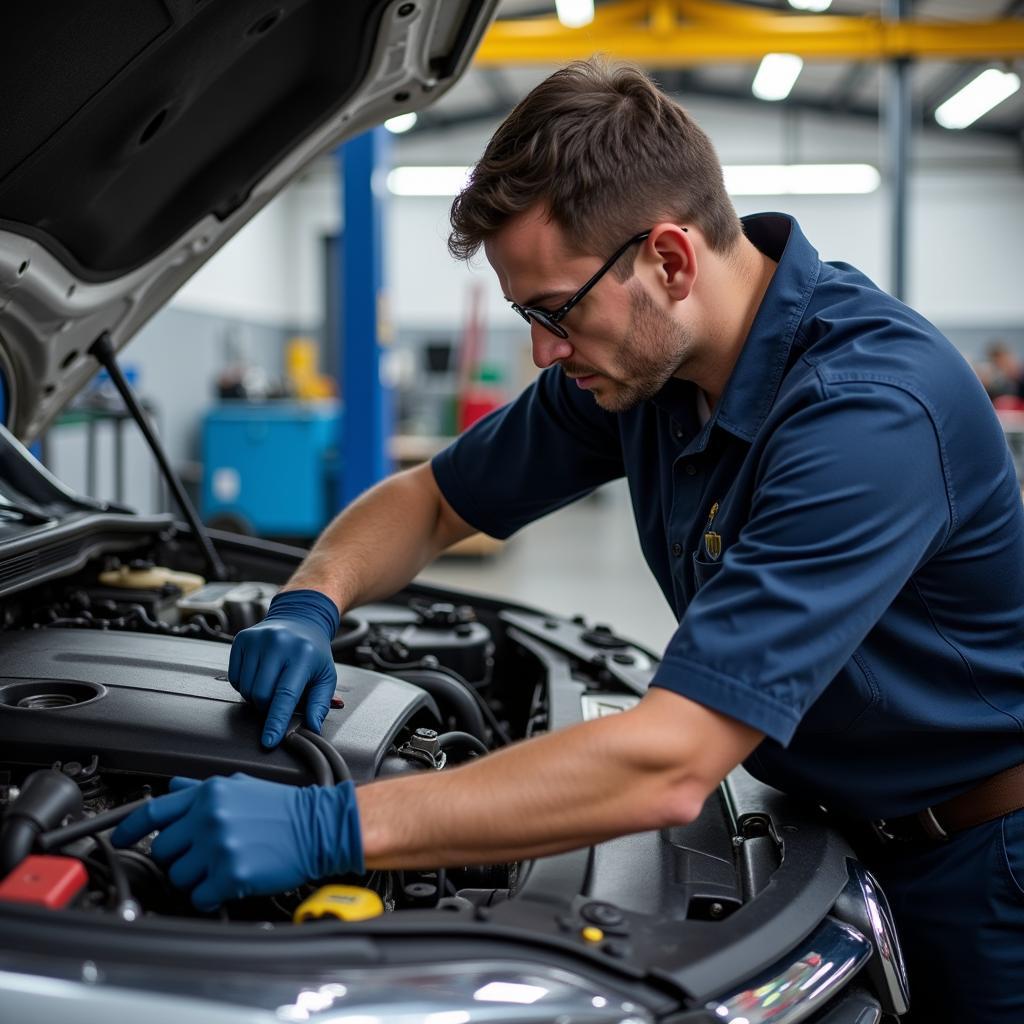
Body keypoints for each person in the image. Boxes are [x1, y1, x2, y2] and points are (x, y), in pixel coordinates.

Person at [113, 60, 1024, 1021]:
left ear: (669, 260)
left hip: (985, 868)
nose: (544, 352)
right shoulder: (646, 372)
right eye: (527, 317)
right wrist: (310, 598)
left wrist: (328, 823)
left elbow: (671, 760)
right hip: (842, 831)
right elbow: (431, 501)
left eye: (555, 312)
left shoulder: (865, 414)